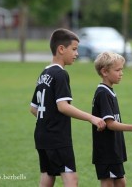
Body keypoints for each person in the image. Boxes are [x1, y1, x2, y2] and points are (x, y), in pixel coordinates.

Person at [29, 28, 106, 187]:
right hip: (57, 136)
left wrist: (47, 120)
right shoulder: (60, 74)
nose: (76, 53)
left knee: (48, 174)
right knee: (71, 178)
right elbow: (63, 107)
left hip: (41, 134)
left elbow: (33, 108)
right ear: (61, 49)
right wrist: (92, 117)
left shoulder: (44, 73)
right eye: (74, 49)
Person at [92, 52, 132, 187]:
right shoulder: (103, 93)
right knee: (108, 183)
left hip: (113, 149)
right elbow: (110, 124)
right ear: (104, 72)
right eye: (118, 70)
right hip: (106, 149)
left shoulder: (109, 91)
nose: (121, 73)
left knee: (120, 182)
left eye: (122, 69)